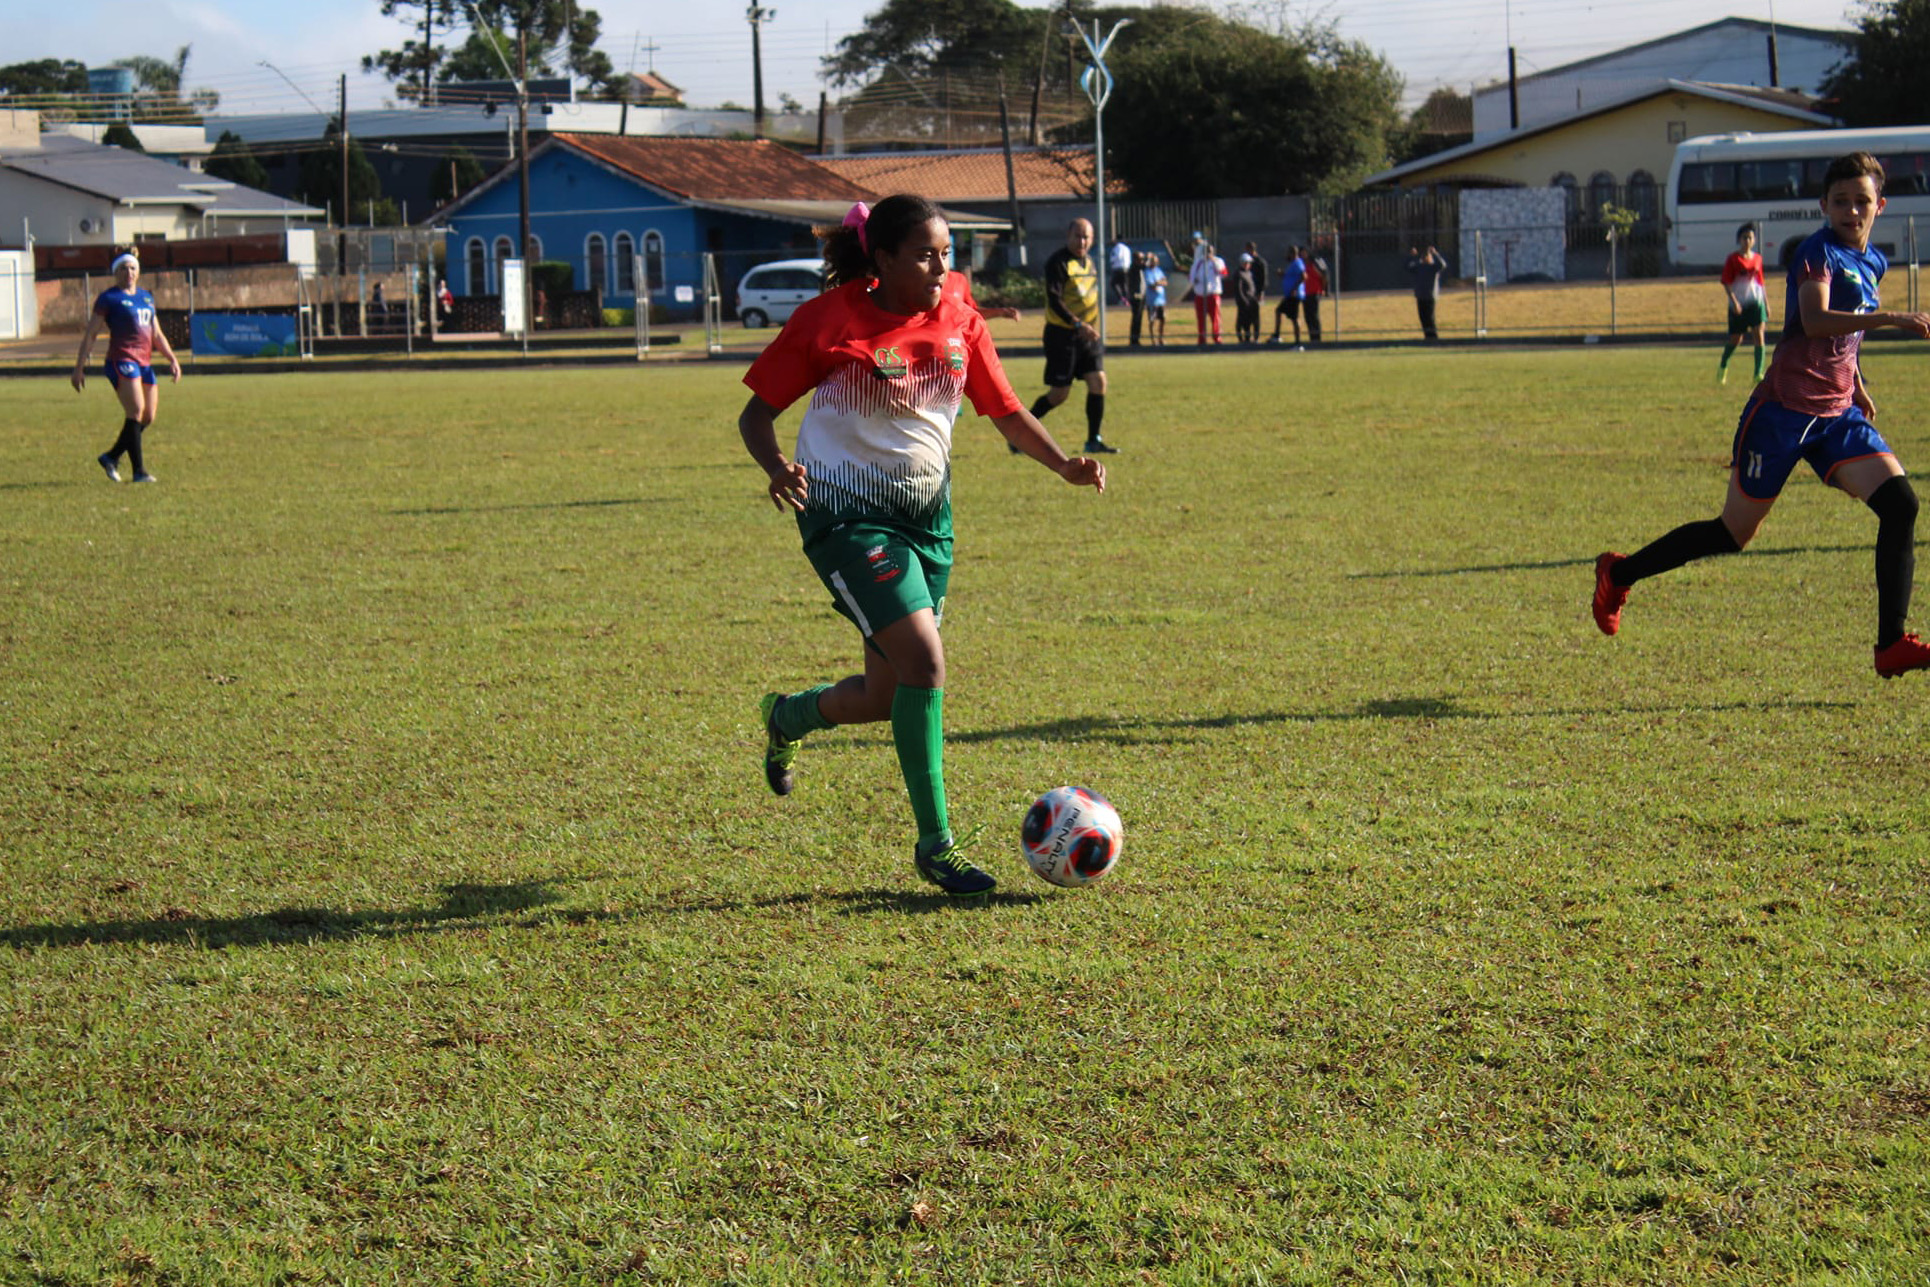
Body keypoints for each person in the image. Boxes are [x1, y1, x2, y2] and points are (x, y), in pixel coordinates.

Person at [738, 196, 1107, 896]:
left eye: (947, 252)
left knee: (888, 693)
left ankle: (786, 714)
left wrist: (1063, 463)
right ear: (880, 260)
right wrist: (777, 466)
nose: (943, 266)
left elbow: (1005, 409)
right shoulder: (829, 321)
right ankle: (936, 846)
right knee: (927, 662)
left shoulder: (961, 316)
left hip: (928, 525)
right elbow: (756, 413)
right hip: (844, 521)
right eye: (925, 254)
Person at [1593, 151, 1930, 679]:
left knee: (1901, 505)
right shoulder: (1817, 254)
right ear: (1823, 205)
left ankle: (1890, 645)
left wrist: (1858, 385)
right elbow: (1816, 319)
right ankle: (1619, 573)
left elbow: (1847, 337)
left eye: (1861, 201)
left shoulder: (1873, 260)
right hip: (1781, 416)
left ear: (1880, 206)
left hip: (1837, 416)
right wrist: (1890, 317)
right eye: (1839, 201)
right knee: (1732, 534)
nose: (1850, 210)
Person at [71, 249, 179, 484]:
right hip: (122, 360)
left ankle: (111, 456)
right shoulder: (109, 298)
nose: (128, 272)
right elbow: (91, 334)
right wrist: (79, 367)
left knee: (148, 416)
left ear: (138, 271)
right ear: (115, 273)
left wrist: (172, 359)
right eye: (123, 268)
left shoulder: (146, 298)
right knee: (136, 410)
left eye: (132, 268)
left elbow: (157, 334)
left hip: (144, 362)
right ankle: (139, 471)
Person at [1029, 218, 1118, 454]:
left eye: (1087, 236)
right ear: (1068, 236)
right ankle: (1022, 431)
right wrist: (1078, 324)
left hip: (1086, 336)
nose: (1082, 241)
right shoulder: (1057, 263)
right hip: (1062, 335)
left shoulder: (1089, 262)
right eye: (1078, 236)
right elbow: (1055, 300)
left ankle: (1093, 441)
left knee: (1098, 382)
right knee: (1059, 395)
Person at [1719, 222, 1769, 384]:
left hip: (1755, 302)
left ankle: (1758, 373)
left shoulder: (1758, 259)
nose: (1747, 241)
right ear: (1739, 240)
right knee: (1736, 339)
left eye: (1750, 237)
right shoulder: (1733, 259)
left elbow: (1761, 283)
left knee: (1759, 335)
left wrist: (1766, 304)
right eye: (1744, 237)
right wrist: (1734, 302)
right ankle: (1723, 365)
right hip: (1739, 304)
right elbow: (1726, 282)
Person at [1406, 246, 1447, 340]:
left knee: (1430, 317)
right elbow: (1407, 266)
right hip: (1420, 296)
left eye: (1427, 256)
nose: (1425, 258)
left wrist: (1435, 254)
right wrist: (1411, 256)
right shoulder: (1418, 267)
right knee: (1422, 317)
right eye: (1423, 257)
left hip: (1430, 296)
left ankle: (1433, 337)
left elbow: (1442, 265)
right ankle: (1427, 336)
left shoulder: (1433, 268)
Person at [1188, 242, 1225, 346]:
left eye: (1210, 251)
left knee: (1216, 318)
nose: (1208, 253)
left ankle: (1217, 338)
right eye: (1207, 251)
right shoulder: (1198, 263)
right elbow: (1191, 278)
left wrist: (1214, 262)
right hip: (1200, 295)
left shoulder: (1218, 261)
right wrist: (1195, 280)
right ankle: (1202, 339)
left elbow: (1223, 273)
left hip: (1213, 294)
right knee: (1201, 319)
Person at [1270, 244, 1307, 347]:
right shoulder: (1292, 264)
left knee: (1294, 318)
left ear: (1292, 253)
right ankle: (1277, 335)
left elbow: (1304, 276)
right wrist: (1283, 274)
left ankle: (1298, 343)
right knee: (1279, 311)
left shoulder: (1298, 263)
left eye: (1288, 253)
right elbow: (1291, 277)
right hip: (1289, 295)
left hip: (1294, 295)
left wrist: (1294, 288)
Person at [1231, 252, 1260, 344]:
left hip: (1252, 300)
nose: (1248, 265)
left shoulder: (1249, 273)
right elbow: (1238, 290)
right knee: (1243, 322)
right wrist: (1244, 301)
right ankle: (1244, 340)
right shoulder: (1239, 274)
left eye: (1249, 263)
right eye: (1247, 263)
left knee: (1255, 320)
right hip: (1244, 302)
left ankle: (1255, 338)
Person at [1142, 252, 1168, 347]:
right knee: (1152, 320)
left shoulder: (1158, 271)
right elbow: (1151, 285)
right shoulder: (1147, 272)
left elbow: (1165, 282)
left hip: (1161, 299)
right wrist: (1158, 283)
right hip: (1152, 300)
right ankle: (1153, 340)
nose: (1155, 263)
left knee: (1163, 318)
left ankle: (1161, 338)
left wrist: (1159, 282)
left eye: (1156, 261)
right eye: (1153, 261)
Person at [1302, 252, 1326, 345]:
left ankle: (1317, 338)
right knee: (1308, 317)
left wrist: (1323, 289)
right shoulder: (1304, 267)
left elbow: (1323, 276)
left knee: (1314, 316)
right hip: (1306, 294)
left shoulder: (1313, 266)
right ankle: (1312, 337)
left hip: (1315, 293)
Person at [1125, 251, 1148, 347]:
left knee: (1139, 318)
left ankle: (1136, 338)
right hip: (1136, 296)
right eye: (1140, 259)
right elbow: (1143, 266)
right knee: (1136, 318)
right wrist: (1147, 258)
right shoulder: (1133, 268)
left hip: (1141, 295)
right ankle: (1134, 340)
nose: (1142, 261)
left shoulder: (1139, 268)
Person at [1108, 235, 1132, 305]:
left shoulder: (1117, 247)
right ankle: (1127, 299)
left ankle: (1122, 298)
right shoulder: (1127, 248)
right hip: (1127, 268)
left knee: (1113, 284)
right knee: (1124, 284)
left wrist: (1112, 262)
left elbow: (1117, 256)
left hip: (1118, 268)